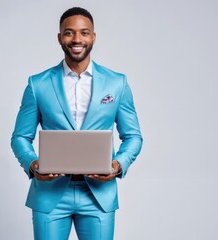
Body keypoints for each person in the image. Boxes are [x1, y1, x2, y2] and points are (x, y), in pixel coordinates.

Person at [11, 7, 143, 240]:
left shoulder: (117, 83)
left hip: (99, 195)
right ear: (60, 37)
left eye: (84, 33)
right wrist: (32, 164)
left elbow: (133, 136)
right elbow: (20, 137)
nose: (77, 39)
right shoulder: (37, 84)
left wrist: (118, 164)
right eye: (69, 33)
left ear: (93, 37)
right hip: (50, 194)